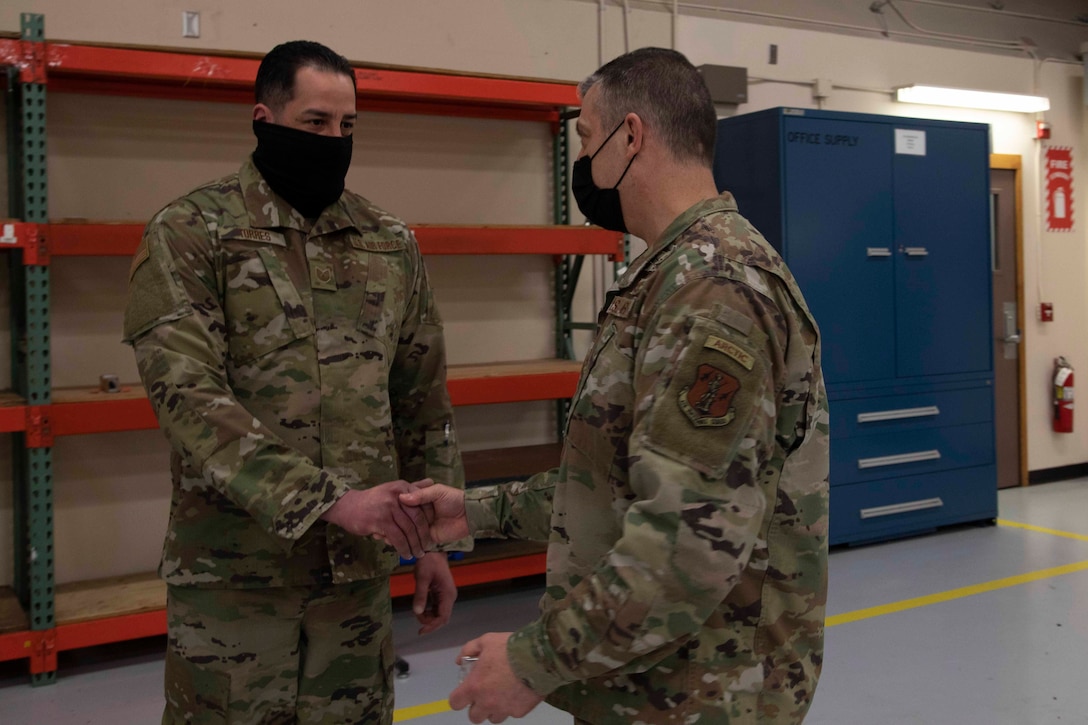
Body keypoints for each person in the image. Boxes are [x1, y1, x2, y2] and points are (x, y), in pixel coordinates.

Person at [401, 47, 830, 724]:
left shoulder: (712, 288)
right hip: (651, 682)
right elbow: (617, 481)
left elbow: (688, 537)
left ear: (631, 136)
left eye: (587, 138)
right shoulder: (671, 276)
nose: (586, 163)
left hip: (704, 693)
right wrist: (475, 514)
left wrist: (532, 661)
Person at [123, 40, 463, 724]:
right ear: (264, 117)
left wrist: (433, 541)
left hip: (355, 585)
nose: (334, 140)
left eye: (348, 126)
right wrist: (334, 501)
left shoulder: (388, 242)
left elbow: (420, 395)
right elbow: (191, 402)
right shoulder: (192, 233)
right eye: (315, 122)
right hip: (238, 583)